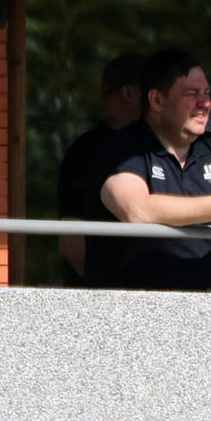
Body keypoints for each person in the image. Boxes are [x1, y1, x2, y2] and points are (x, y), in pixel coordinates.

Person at [100, 48, 211, 291]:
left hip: (205, 302)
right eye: (192, 94)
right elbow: (137, 211)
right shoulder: (124, 146)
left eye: (207, 93)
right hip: (134, 303)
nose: (205, 103)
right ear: (156, 100)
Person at [56, 52, 143, 284]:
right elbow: (71, 240)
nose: (159, 103)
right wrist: (108, 291)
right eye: (152, 93)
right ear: (128, 93)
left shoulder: (158, 149)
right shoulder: (86, 152)